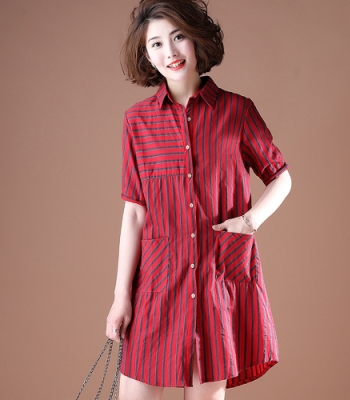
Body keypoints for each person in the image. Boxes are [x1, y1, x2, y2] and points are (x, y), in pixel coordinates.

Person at [106, 1, 292, 399]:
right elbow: (135, 213)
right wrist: (121, 296)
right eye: (156, 44)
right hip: (157, 284)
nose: (170, 52)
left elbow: (281, 177)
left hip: (216, 282)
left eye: (178, 37)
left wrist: (250, 221)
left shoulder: (238, 111)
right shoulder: (137, 122)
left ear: (196, 40)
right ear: (146, 55)